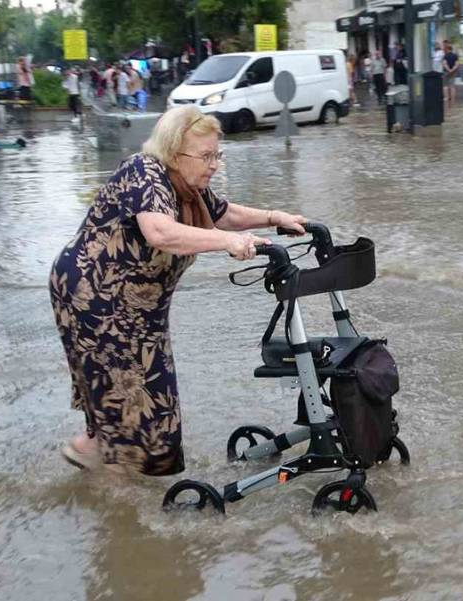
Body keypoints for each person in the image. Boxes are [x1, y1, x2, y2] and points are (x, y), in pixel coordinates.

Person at [49, 106, 308, 475]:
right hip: (94, 295)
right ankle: (112, 480)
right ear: (173, 151)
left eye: (217, 154)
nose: (214, 164)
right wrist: (226, 242)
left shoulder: (188, 188)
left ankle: (104, 457)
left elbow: (222, 213)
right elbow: (161, 232)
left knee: (150, 392)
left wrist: (272, 216)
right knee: (131, 390)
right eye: (205, 156)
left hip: (139, 303)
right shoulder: (145, 172)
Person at [443, 42, 459, 106]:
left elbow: (444, 64)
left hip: (446, 72)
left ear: (447, 49)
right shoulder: (455, 56)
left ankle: (446, 98)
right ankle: (453, 99)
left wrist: (448, 70)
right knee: (452, 86)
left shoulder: (445, 56)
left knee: (445, 86)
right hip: (453, 72)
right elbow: (457, 64)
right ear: (452, 49)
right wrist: (452, 70)